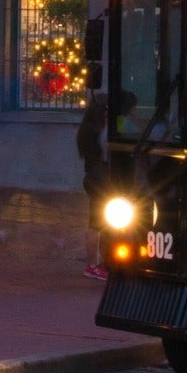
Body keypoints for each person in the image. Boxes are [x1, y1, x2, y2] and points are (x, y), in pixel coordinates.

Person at [77, 91, 112, 281]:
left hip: (93, 178)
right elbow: (104, 153)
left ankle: (96, 262)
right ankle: (92, 265)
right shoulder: (98, 130)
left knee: (99, 223)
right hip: (98, 180)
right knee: (97, 224)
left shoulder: (88, 127)